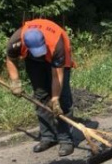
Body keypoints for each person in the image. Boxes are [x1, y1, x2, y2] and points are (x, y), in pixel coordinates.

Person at [6, 18, 76, 156]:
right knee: (40, 96)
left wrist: (55, 98)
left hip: (56, 58)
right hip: (33, 62)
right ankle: (48, 137)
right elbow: (10, 59)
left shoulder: (57, 43)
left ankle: (66, 140)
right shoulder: (16, 40)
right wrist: (15, 81)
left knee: (62, 100)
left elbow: (57, 77)